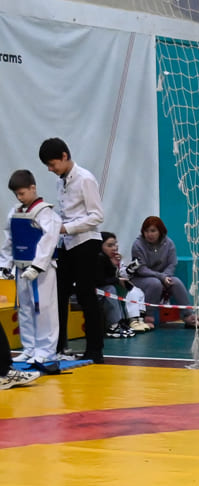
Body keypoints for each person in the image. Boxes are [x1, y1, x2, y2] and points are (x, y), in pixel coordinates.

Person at [39, 138, 105, 364]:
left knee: (86, 295)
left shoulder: (85, 178)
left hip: (86, 242)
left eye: (52, 164)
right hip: (67, 244)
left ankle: (95, 350)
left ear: (64, 156)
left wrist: (67, 227)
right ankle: (58, 346)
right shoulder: (61, 182)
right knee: (58, 294)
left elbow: (97, 216)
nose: (50, 169)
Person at [4, 169, 61, 371]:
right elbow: (9, 239)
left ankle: (46, 351)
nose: (19, 197)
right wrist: (5, 264)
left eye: (22, 193)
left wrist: (38, 265)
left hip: (41, 269)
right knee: (25, 308)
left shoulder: (46, 212)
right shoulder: (15, 211)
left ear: (33, 188)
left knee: (43, 308)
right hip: (21, 267)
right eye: (16, 194)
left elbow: (49, 240)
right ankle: (29, 348)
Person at [129, 216, 199, 328]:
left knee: (175, 282)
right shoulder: (137, 245)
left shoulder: (169, 243)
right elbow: (141, 269)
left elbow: (172, 264)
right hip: (141, 278)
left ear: (160, 231)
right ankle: (148, 316)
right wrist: (161, 277)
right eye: (146, 231)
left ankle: (188, 315)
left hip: (163, 276)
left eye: (153, 231)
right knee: (155, 283)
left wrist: (165, 276)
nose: (149, 234)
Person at [97, 232, 148, 338]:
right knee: (110, 290)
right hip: (91, 291)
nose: (114, 248)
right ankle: (116, 324)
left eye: (115, 244)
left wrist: (116, 265)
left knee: (135, 291)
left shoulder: (112, 259)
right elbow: (100, 280)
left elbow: (117, 275)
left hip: (106, 287)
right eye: (110, 245)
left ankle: (133, 320)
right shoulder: (98, 258)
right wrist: (117, 279)